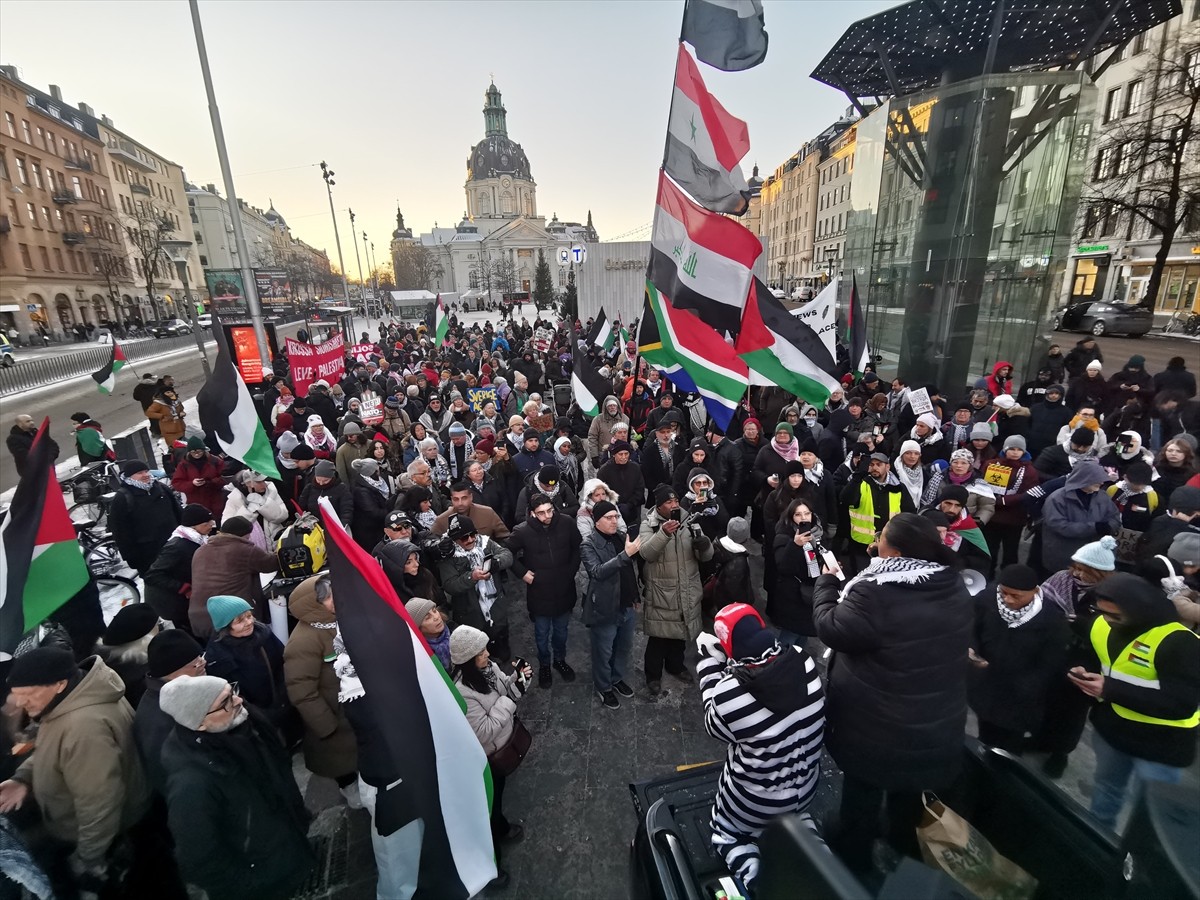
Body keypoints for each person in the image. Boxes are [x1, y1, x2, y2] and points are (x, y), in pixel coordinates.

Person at [812, 513, 971, 874]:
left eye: (882, 535)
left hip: (879, 726)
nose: (877, 539)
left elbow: (830, 626)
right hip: (931, 721)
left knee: (862, 796)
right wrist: (883, 561)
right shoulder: (951, 584)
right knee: (909, 795)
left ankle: (855, 859)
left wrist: (825, 583)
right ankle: (904, 851)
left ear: (895, 551)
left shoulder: (873, 592)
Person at [0, 647, 151, 897]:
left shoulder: (84, 728)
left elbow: (99, 803)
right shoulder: (73, 698)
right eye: (18, 696)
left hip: (100, 834)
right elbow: (57, 748)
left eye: (28, 695)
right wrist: (23, 778)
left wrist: (88, 858)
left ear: (59, 684)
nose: (23, 704)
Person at [696, 603, 825, 891]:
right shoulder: (804, 660)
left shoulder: (730, 695)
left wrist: (709, 666)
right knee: (800, 822)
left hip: (754, 802)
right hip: (805, 788)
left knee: (728, 834)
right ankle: (820, 868)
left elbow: (713, 725)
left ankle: (761, 885)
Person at [158, 676, 315, 899]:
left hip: (285, 854)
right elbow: (197, 858)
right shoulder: (191, 783)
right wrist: (253, 883)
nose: (239, 700)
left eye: (232, 691)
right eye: (226, 702)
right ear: (199, 723)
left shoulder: (240, 731)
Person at [1070, 573, 1200, 830]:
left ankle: (1137, 859)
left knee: (1152, 812)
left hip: (1161, 745)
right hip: (1113, 732)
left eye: (1115, 615)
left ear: (1139, 611)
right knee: (1107, 788)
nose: (1107, 620)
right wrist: (1081, 670)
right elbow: (1093, 652)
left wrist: (1110, 689)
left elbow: (1182, 702)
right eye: (1101, 611)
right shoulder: (1101, 624)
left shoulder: (1180, 642)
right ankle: (1098, 836)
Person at [450, 626, 531, 890]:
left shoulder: (489, 668)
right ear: (467, 660)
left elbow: (507, 690)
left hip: (502, 745)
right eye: (480, 652)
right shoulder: (462, 691)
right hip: (487, 758)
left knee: (497, 797)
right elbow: (483, 731)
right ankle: (490, 866)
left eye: (485, 649)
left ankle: (502, 828)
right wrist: (508, 702)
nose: (487, 654)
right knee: (488, 806)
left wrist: (518, 681)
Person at [968, 564, 1069, 754]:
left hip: (1020, 698)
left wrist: (1027, 686)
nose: (1007, 600)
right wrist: (972, 649)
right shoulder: (986, 600)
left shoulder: (1052, 621)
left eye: (1016, 596)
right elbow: (972, 627)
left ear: (1035, 591)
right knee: (985, 735)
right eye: (1004, 592)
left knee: (1009, 746)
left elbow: (1051, 662)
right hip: (986, 686)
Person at [284, 574, 361, 808]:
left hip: (355, 709)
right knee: (344, 763)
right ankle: (350, 790)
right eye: (328, 598)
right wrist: (326, 726)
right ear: (314, 604)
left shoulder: (340, 622)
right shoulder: (303, 641)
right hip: (335, 717)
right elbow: (301, 691)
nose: (335, 601)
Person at [640, 485, 713, 696]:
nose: (674, 505)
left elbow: (706, 557)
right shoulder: (650, 525)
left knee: (680, 633)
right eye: (668, 503)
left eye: (675, 501)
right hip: (663, 591)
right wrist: (663, 533)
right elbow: (647, 553)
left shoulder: (689, 521)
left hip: (686, 587)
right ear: (659, 506)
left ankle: (676, 665)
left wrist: (703, 544)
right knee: (658, 637)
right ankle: (652, 675)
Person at [508, 492, 583, 689]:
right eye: (541, 513)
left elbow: (577, 547)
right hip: (540, 593)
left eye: (550, 510)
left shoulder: (566, 522)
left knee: (561, 631)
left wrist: (571, 571)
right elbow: (507, 552)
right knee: (541, 634)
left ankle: (559, 660)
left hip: (564, 589)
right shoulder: (522, 531)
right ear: (532, 514)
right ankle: (544, 665)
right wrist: (522, 572)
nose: (547, 516)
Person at [203, 595, 297, 745]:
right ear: (225, 627)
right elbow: (231, 694)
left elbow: (283, 661)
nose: (249, 622)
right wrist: (263, 715)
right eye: (240, 620)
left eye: (249, 615)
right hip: (256, 717)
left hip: (282, 701)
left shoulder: (263, 634)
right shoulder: (218, 657)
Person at [581, 499, 641, 709]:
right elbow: (597, 572)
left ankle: (616, 679)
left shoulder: (620, 536)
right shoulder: (588, 544)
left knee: (623, 647)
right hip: (605, 608)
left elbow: (628, 573)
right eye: (609, 518)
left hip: (625, 605)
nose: (614, 521)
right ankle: (604, 687)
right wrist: (626, 555)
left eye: (616, 516)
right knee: (603, 651)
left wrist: (635, 597)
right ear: (597, 521)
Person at [134, 630, 207, 795]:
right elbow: (166, 775)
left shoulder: (186, 689)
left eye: (201, 656)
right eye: (194, 663)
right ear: (172, 673)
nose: (203, 663)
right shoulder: (158, 719)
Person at [439, 514, 514, 661]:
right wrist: (471, 577)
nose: (471, 540)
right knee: (478, 647)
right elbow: (450, 585)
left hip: (495, 604)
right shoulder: (448, 557)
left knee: (501, 635)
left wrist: (495, 563)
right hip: (469, 611)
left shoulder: (485, 542)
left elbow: (507, 555)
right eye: (464, 538)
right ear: (455, 540)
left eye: (473, 534)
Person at [188, 516, 279, 637]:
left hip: (200, 619)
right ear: (244, 535)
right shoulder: (244, 549)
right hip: (232, 619)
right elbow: (271, 564)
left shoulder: (200, 551)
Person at [1039, 459, 1121, 575]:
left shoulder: (1102, 496)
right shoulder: (1057, 498)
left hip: (1092, 560)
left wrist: (1109, 527)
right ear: (1084, 479)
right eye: (1097, 479)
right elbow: (1060, 526)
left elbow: (1115, 517)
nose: (1101, 483)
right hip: (1064, 559)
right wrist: (1095, 528)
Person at [840, 451, 914, 575]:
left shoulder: (898, 487)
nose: (874, 467)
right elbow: (845, 499)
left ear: (887, 467)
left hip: (889, 543)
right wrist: (857, 477)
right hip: (861, 544)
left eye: (878, 464)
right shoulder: (860, 483)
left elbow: (909, 513)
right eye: (871, 464)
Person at [143, 503, 214, 632]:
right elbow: (152, 575)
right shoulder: (176, 546)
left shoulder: (198, 539)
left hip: (188, 598)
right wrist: (184, 588)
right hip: (174, 601)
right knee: (190, 632)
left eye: (211, 522)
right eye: (206, 524)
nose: (211, 526)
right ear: (193, 526)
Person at [109, 459, 183, 575]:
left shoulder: (162, 488)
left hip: (174, 548)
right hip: (148, 556)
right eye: (139, 473)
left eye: (146, 471)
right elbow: (120, 531)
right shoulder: (123, 497)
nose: (145, 475)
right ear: (129, 477)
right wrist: (132, 558)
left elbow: (178, 513)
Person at [93, 603, 161, 708]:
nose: (160, 627)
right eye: (157, 624)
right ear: (145, 639)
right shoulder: (139, 677)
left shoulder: (104, 658)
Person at [222, 468, 289, 548]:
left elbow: (282, 517)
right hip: (250, 549)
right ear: (248, 483)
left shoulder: (271, 491)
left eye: (264, 481)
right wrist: (250, 510)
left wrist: (263, 504)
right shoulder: (235, 499)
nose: (264, 484)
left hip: (275, 544)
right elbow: (228, 529)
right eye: (259, 482)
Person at [431, 480, 511, 540]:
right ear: (451, 499)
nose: (460, 503)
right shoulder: (441, 521)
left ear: (471, 497)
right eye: (456, 499)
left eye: (464, 498)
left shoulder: (488, 513)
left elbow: (505, 537)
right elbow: (432, 543)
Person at [171, 436, 227, 518]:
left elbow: (225, 478)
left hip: (216, 502)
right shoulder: (183, 465)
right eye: (193, 452)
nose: (197, 454)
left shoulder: (215, 461)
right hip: (197, 505)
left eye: (199, 451)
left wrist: (210, 482)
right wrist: (192, 484)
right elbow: (177, 483)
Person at [406, 596, 454, 671]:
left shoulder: (454, 629)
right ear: (418, 628)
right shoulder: (422, 656)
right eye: (428, 618)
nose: (436, 617)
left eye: (434, 611)